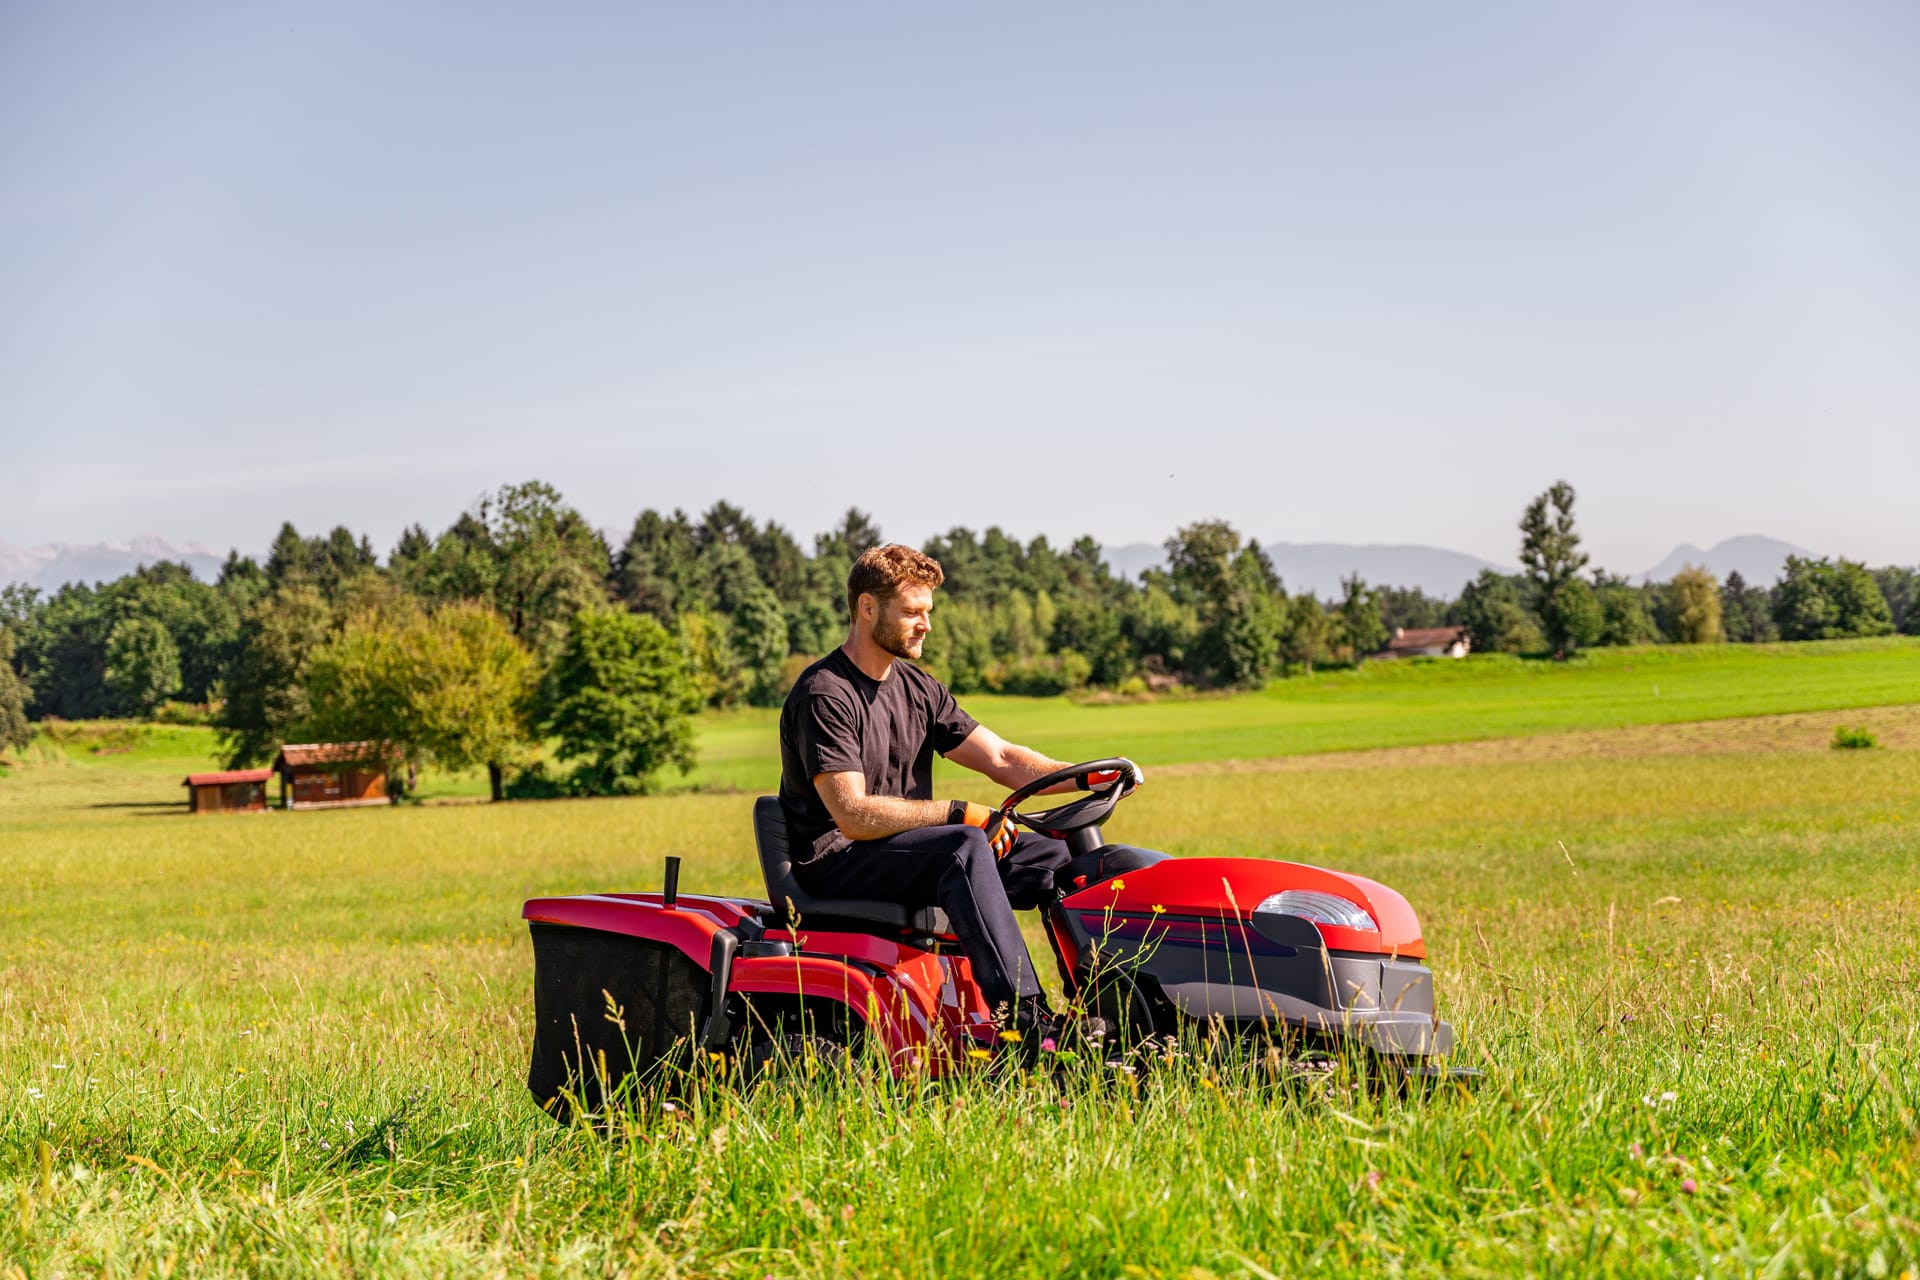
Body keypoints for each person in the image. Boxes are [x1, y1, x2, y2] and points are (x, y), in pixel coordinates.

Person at [777, 543, 1133, 1043]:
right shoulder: (825, 693)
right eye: (912, 612)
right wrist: (960, 812)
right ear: (867, 608)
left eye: (929, 612)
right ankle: (1030, 1024)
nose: (925, 624)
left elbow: (1003, 759)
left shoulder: (919, 689)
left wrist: (1084, 776)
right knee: (962, 848)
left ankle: (1111, 1012)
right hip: (839, 860)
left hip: (906, 853)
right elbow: (853, 814)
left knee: (1062, 857)